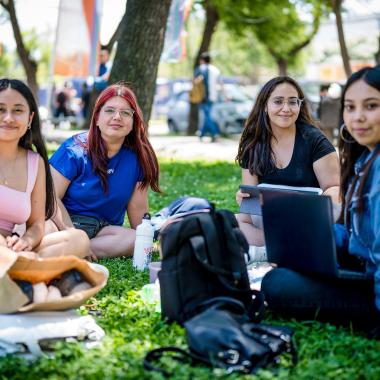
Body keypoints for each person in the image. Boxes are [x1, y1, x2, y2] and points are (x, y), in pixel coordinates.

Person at [261, 66, 380, 334]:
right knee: (288, 262)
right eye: (350, 107)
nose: (358, 117)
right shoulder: (365, 158)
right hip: (362, 265)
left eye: (371, 106)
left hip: (372, 290)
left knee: (276, 284)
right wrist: (312, 243)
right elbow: (359, 236)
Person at [47, 82, 161, 259]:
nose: (117, 117)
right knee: (46, 228)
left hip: (104, 232)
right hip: (64, 224)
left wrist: (146, 241)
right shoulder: (74, 149)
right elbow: (50, 198)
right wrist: (73, 236)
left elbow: (139, 215)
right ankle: (75, 249)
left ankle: (77, 252)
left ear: (133, 121)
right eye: (109, 110)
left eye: (125, 113)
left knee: (136, 239)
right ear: (97, 118)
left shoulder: (138, 159)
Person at [235, 76, 340, 247]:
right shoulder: (252, 143)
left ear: (300, 105)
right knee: (234, 224)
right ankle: (275, 246)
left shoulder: (314, 139)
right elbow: (247, 216)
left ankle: (278, 247)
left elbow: (335, 190)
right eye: (278, 101)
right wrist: (246, 199)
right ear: (265, 106)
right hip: (267, 224)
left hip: (309, 222)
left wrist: (314, 213)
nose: (286, 108)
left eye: (293, 102)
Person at [0, 78, 89, 259]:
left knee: (79, 239)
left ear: (30, 118)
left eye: (17, 110)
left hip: (12, 249)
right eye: (0, 109)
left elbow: (36, 226)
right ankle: (27, 272)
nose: (8, 118)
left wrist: (26, 241)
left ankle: (20, 269)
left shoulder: (35, 163)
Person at [194, 52, 221, 142]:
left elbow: (195, 81)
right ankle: (201, 134)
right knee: (207, 115)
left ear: (202, 60)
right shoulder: (215, 70)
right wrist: (225, 95)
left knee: (207, 115)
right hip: (213, 96)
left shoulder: (201, 69)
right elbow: (221, 83)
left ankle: (214, 133)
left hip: (203, 97)